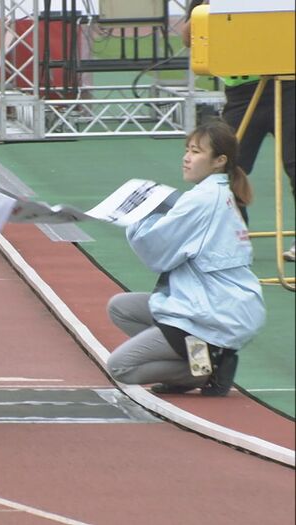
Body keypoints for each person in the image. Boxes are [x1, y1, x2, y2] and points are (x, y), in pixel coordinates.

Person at [106, 120, 266, 396]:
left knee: (120, 367)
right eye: (187, 150)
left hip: (214, 312)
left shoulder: (203, 199)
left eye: (195, 152)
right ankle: (201, 361)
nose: (186, 157)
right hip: (218, 303)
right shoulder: (215, 192)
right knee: (122, 307)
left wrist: (132, 217)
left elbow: (158, 250)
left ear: (219, 161)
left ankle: (204, 371)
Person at [182, 0, 296, 261]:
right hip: (242, 90)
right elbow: (189, 38)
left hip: (290, 82)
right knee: (225, 165)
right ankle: (234, 235)